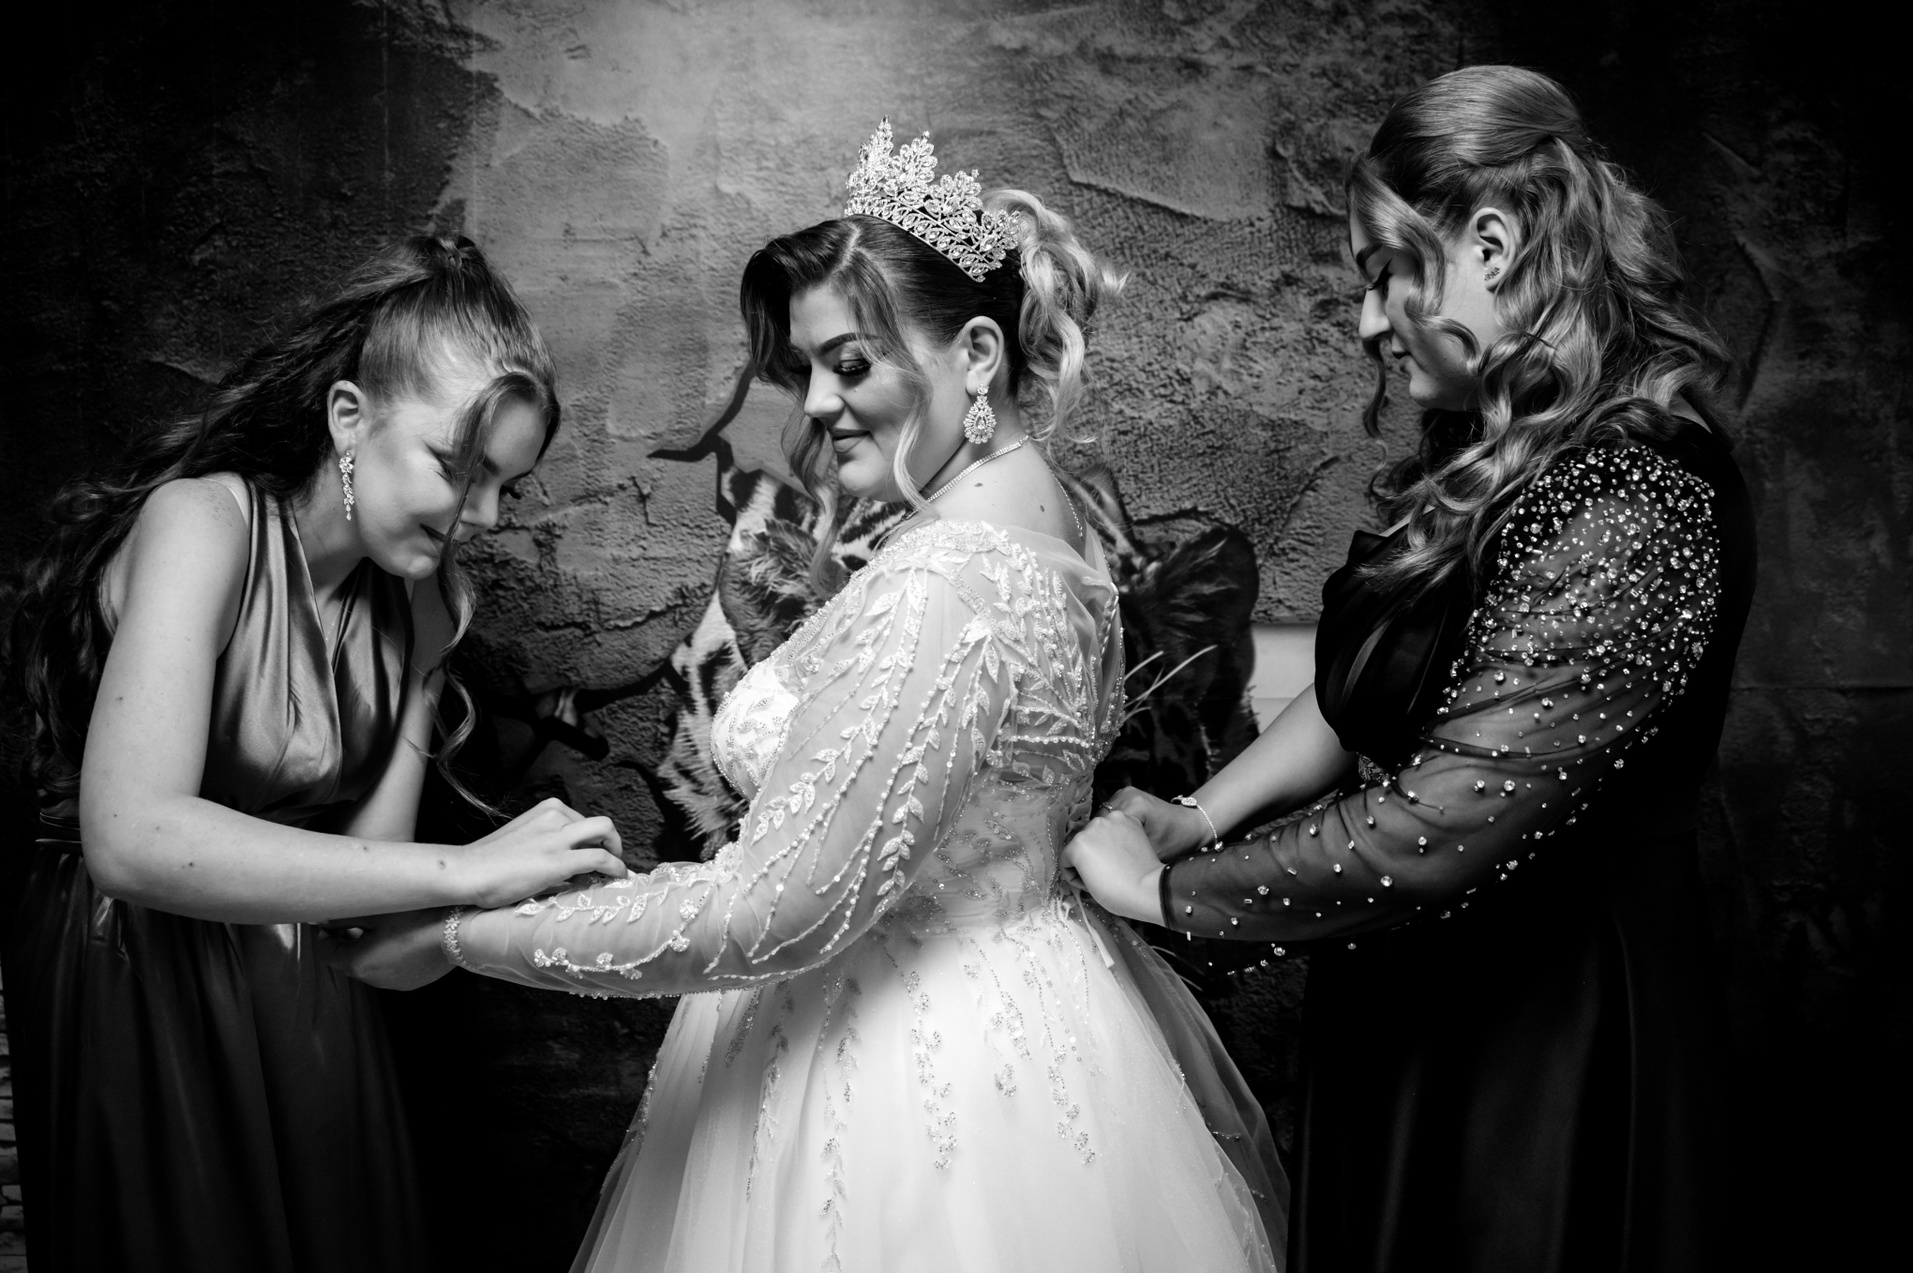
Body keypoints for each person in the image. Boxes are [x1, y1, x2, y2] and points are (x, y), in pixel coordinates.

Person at [330, 123, 1285, 1273]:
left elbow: (775, 912)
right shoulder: (1051, 538)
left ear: (978, 353)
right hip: (1033, 1030)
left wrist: (468, 933)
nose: (817, 403)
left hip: (898, 1096)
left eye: (852, 362)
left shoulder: (951, 577)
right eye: (807, 370)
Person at [1065, 65, 1755, 1272]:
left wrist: (1167, 894)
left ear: (1490, 243)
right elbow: (1367, 693)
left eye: (1387, 273)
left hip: (1545, 1055)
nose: (1370, 322)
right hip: (1416, 1001)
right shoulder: (1495, 448)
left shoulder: (1639, 489)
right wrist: (1199, 813)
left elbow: (1447, 817)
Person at [0, 236, 629, 1273]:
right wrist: (467, 867)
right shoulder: (204, 524)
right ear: (348, 418)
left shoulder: (423, 607)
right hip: (136, 986)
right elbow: (129, 836)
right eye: (457, 468)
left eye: (504, 487)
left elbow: (367, 932)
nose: (481, 517)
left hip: (305, 1008)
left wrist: (524, 917)